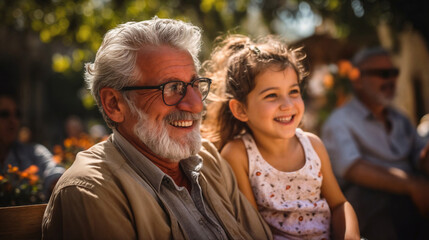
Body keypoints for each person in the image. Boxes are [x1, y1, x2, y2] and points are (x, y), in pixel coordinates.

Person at [42, 17, 272, 240]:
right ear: (114, 104)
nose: (195, 104)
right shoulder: (91, 192)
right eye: (172, 87)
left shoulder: (209, 160)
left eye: (194, 84)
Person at [202, 34, 360, 240]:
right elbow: (251, 225)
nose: (288, 104)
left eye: (293, 91)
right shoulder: (238, 155)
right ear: (241, 109)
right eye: (271, 95)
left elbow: (339, 204)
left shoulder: (313, 146)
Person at [321, 47, 429, 239]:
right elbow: (352, 169)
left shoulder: (399, 118)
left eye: (393, 73)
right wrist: (412, 185)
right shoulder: (340, 121)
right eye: (382, 74)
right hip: (374, 203)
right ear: (357, 79)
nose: (390, 80)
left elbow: (418, 153)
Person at [0, 93, 65, 197]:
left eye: (17, 114)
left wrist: (60, 186)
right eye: (4, 114)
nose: (13, 120)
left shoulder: (34, 152)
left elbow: (56, 174)